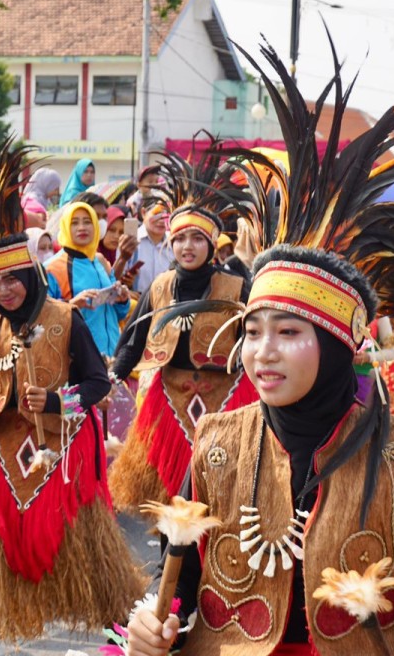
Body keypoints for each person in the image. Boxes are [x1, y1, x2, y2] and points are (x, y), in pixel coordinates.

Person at [126, 42, 394, 656]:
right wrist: (151, 627)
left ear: (341, 347)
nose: (262, 351)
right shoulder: (218, 441)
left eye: (289, 332)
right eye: (252, 330)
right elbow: (176, 579)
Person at [0, 144, 143, 656]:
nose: (4, 291)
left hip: (63, 457)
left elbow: (98, 386)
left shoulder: (63, 318)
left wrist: (54, 403)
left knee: (92, 562)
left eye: (13, 280)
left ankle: (129, 648)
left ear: (28, 271)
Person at [109, 156, 256, 513]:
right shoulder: (160, 287)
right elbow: (134, 337)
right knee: (168, 493)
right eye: (180, 240)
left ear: (211, 244)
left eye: (196, 239)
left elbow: (257, 337)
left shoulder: (237, 286)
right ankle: (168, 564)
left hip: (227, 398)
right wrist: (112, 376)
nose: (187, 247)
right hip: (168, 399)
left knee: (221, 494)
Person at [43, 201, 130, 357]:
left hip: (111, 355)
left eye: (88, 222)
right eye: (74, 223)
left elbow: (117, 313)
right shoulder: (52, 268)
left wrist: (122, 299)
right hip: (79, 360)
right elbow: (43, 318)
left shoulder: (100, 262)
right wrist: (72, 305)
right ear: (65, 227)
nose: (82, 227)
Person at [130, 199, 172, 296]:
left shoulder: (174, 242)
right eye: (157, 214)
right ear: (143, 213)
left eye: (166, 215)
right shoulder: (131, 241)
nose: (161, 220)